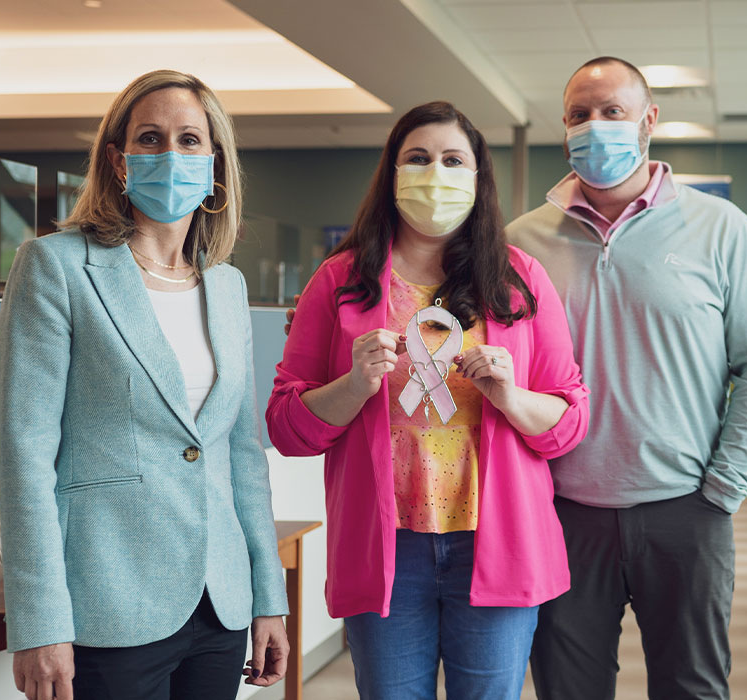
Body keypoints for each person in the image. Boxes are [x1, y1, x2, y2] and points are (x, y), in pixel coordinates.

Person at [266, 101, 589, 700]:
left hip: (496, 540)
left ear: (475, 177)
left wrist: (511, 397)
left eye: (452, 160)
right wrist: (354, 385)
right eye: (417, 159)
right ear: (392, 175)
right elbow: (288, 427)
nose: (434, 173)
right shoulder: (340, 283)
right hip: (388, 546)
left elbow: (568, 423)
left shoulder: (519, 280)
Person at [0, 69, 289, 700]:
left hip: (217, 604)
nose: (170, 154)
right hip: (107, 601)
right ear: (119, 162)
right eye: (150, 139)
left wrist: (269, 595)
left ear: (214, 165)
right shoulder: (57, 267)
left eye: (189, 141)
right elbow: (26, 459)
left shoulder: (228, 287)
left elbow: (242, 458)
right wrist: (39, 621)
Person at [506, 57, 747, 700]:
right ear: (564, 128)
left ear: (648, 121)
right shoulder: (521, 243)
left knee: (690, 689)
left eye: (613, 111)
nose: (596, 126)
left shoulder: (720, 229)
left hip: (687, 509)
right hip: (562, 512)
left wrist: (725, 487)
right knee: (567, 689)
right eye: (580, 114)